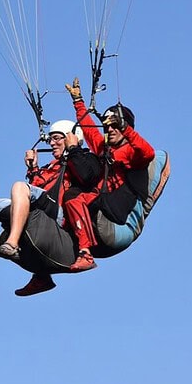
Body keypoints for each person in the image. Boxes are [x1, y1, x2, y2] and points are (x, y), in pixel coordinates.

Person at [0, 120, 100, 296]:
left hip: (62, 215)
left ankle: (12, 243)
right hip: (44, 211)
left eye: (57, 138)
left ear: (71, 138)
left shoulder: (84, 159)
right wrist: (33, 169)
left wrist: (74, 150)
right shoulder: (50, 167)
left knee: (19, 187)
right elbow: (36, 190)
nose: (51, 143)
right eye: (50, 139)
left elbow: (87, 177)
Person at [63, 77, 156, 272]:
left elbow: (148, 153)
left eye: (115, 127)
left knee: (75, 199)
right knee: (66, 199)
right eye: (107, 127)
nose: (110, 130)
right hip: (100, 197)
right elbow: (89, 130)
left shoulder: (132, 152)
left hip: (117, 205)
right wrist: (78, 102)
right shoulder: (104, 148)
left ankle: (86, 254)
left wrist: (125, 128)